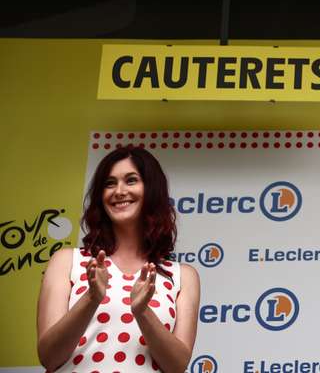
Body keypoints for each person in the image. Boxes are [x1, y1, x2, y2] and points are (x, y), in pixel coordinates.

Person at [36, 146, 200, 372]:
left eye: (131, 180)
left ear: (152, 190)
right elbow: (49, 356)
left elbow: (177, 366)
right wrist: (91, 298)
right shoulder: (67, 261)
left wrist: (142, 312)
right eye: (109, 183)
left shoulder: (182, 276)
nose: (119, 191)